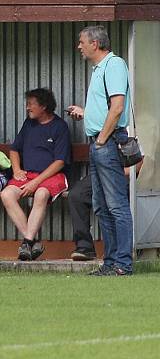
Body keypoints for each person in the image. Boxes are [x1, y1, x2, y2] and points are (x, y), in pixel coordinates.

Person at [67, 25, 134, 276]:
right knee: (101, 205)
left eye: (82, 42)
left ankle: (123, 264)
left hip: (107, 142)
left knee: (116, 205)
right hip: (98, 142)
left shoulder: (114, 65)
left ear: (95, 44)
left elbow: (117, 107)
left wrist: (102, 139)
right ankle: (110, 263)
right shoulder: (98, 69)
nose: (79, 46)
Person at [0, 88, 71, 261]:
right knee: (6, 194)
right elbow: (14, 150)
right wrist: (16, 170)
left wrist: (37, 182)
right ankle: (31, 242)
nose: (27, 108)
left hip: (52, 176)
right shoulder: (28, 124)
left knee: (40, 194)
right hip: (28, 175)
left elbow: (60, 161)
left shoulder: (60, 127)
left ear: (44, 106)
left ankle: (27, 241)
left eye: (31, 104)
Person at [68, 145, 143, 261]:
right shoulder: (103, 133)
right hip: (103, 172)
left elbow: (138, 165)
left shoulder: (136, 132)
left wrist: (112, 171)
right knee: (76, 195)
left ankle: (120, 252)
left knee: (114, 202)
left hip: (127, 176)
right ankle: (84, 247)